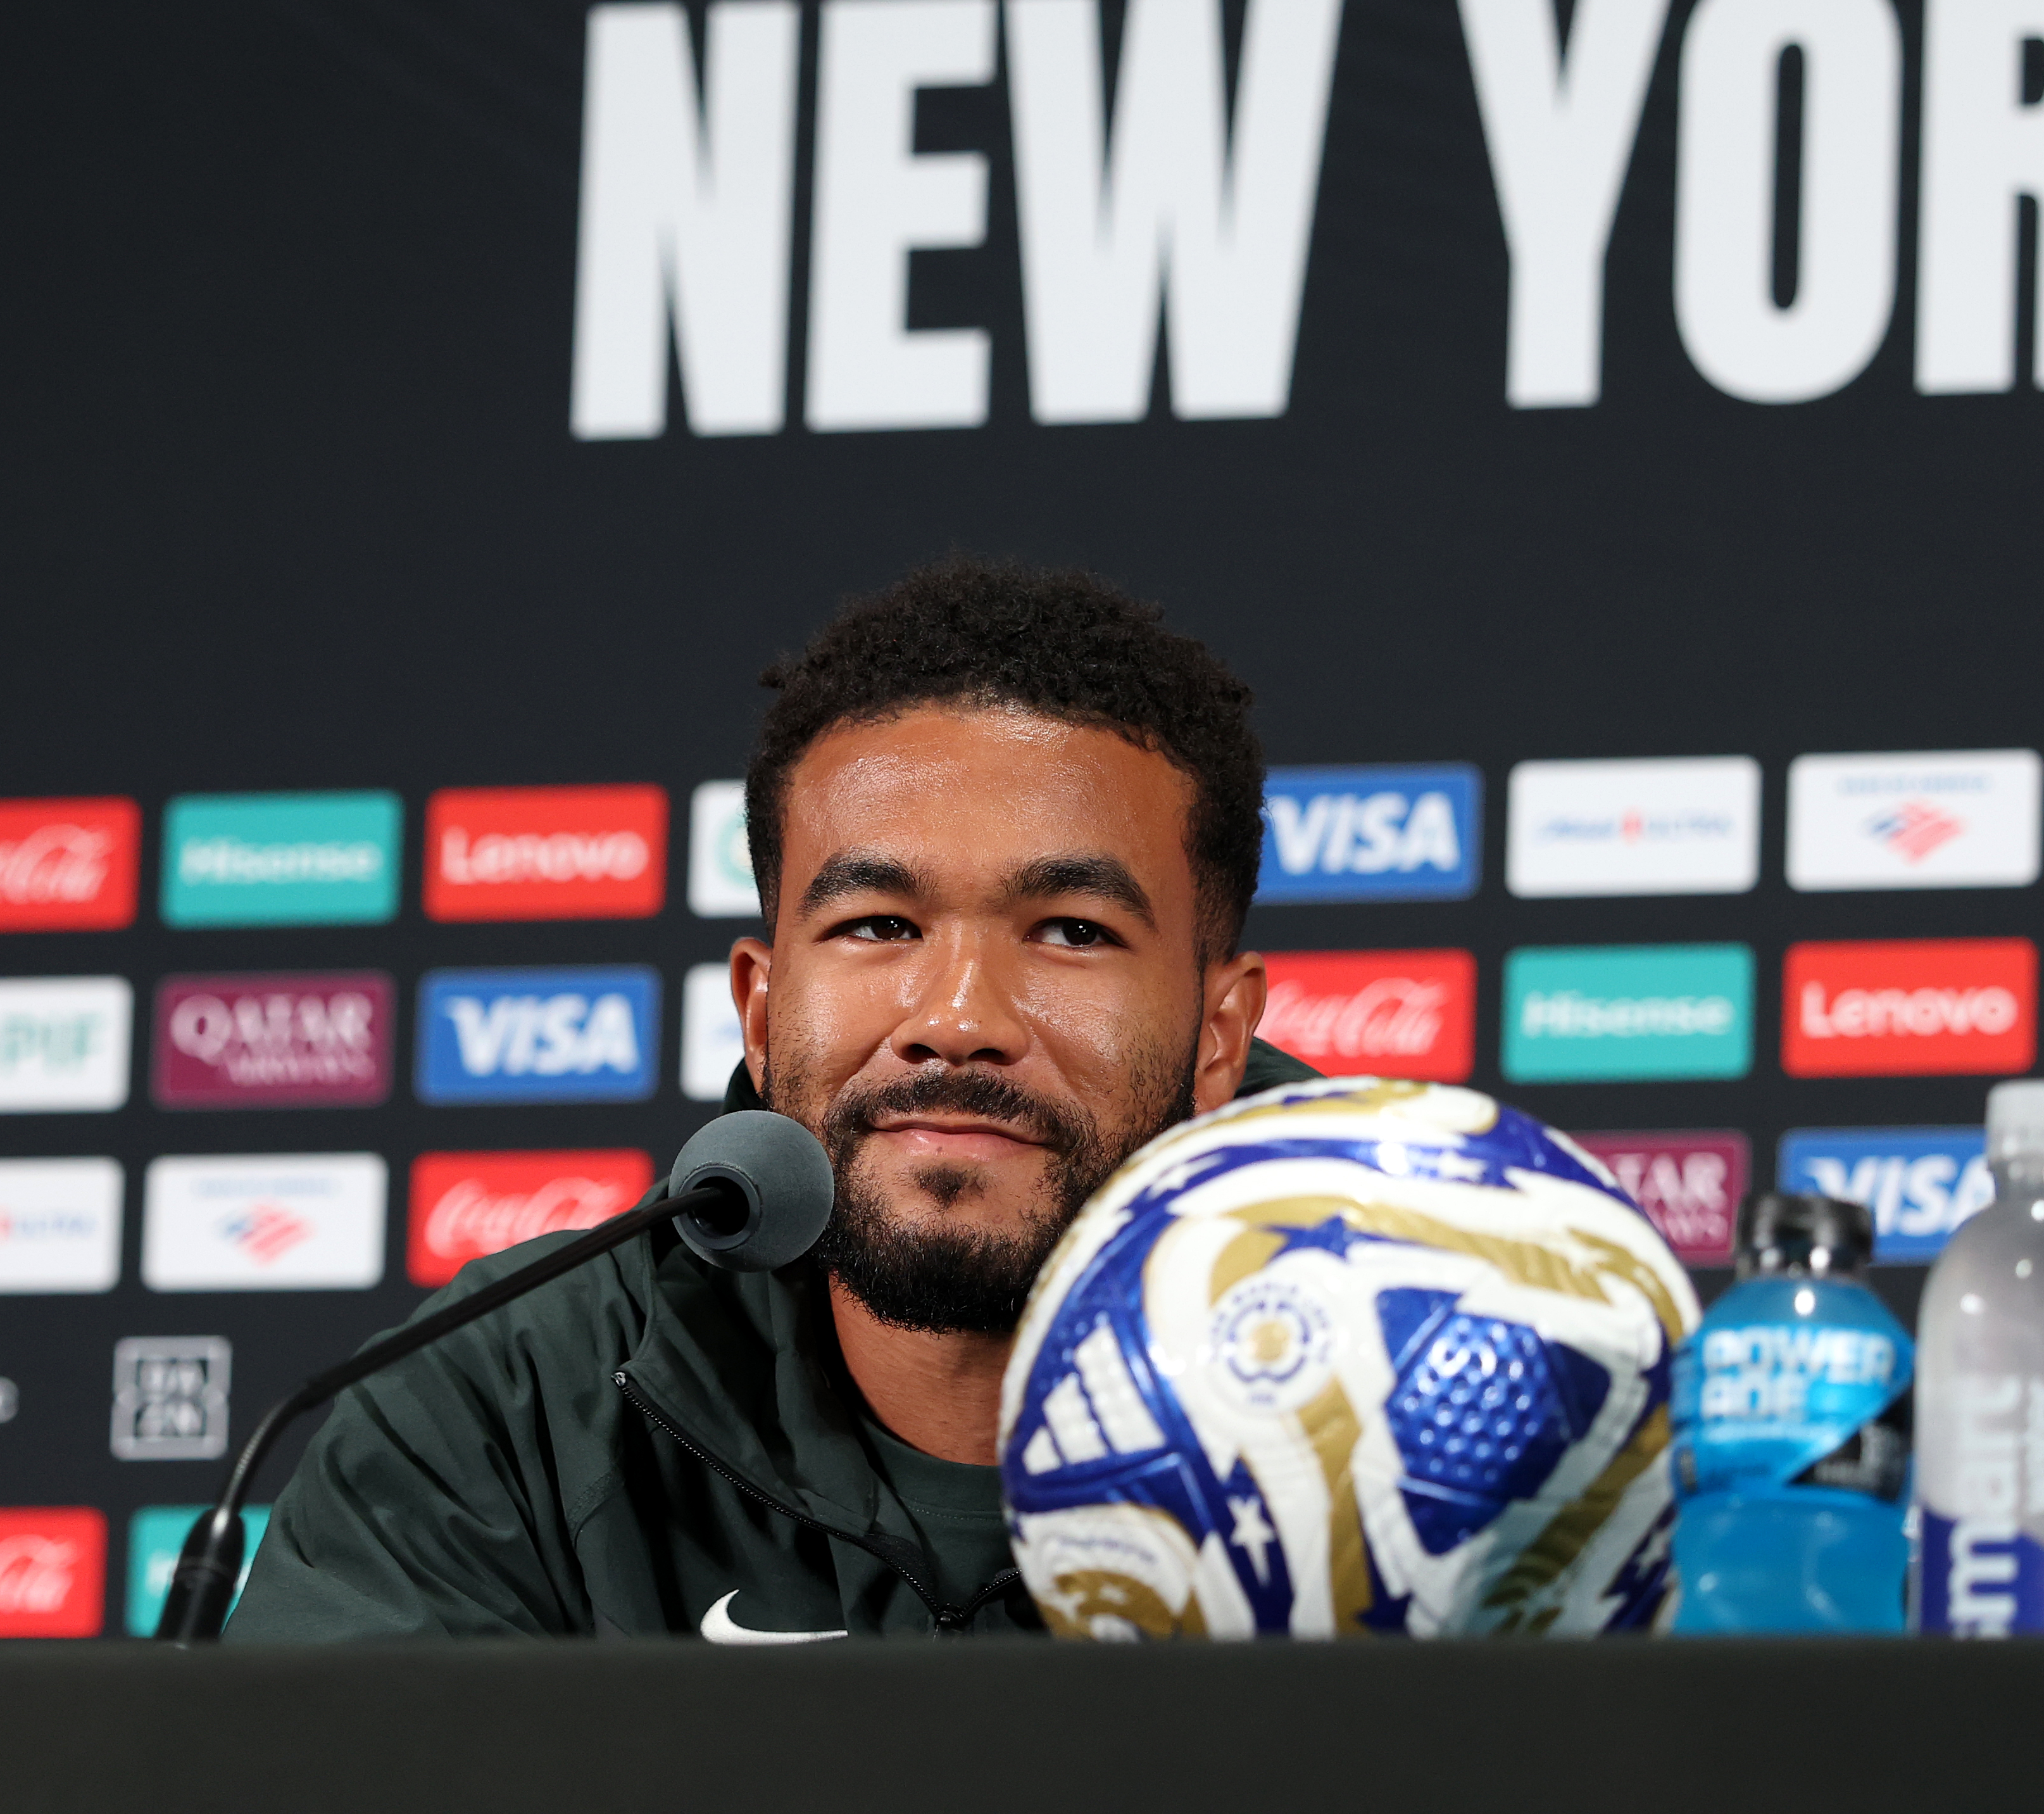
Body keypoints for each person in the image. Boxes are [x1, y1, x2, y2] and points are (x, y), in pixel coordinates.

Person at [227, 559, 1317, 1640]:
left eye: (1072, 931)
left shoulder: (1438, 1402)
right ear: (760, 1006)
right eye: (879, 925)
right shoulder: (504, 1412)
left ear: (1219, 1033)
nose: (956, 1015)